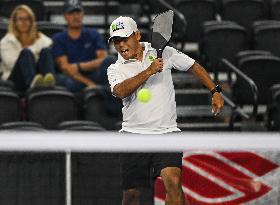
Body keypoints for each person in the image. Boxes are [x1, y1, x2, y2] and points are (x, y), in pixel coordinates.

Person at [107, 16, 224, 205]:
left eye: (124, 39)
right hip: (133, 136)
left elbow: (193, 66)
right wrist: (148, 71)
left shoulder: (164, 52)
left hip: (166, 133)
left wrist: (215, 91)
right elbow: (120, 91)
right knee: (131, 195)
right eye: (116, 41)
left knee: (173, 182)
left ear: (137, 35)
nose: (121, 45)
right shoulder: (114, 68)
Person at [52, 0, 116, 93]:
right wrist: (89, 84)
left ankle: (100, 94)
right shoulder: (58, 38)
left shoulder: (93, 34)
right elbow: (66, 68)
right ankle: (98, 92)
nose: (75, 16)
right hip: (74, 78)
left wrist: (79, 66)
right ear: (65, 16)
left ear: (83, 14)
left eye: (78, 12)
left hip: (94, 74)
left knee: (111, 60)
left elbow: (103, 60)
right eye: (71, 13)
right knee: (65, 81)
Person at [0, 4, 56, 92]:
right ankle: (33, 86)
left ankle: (50, 86)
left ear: (31, 21)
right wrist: (34, 53)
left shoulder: (40, 38)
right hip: (15, 79)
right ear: (15, 22)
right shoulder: (6, 41)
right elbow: (11, 64)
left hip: (39, 76)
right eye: (20, 19)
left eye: (27, 19)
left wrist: (36, 55)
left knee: (46, 51)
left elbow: (49, 47)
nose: (24, 22)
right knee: (26, 53)